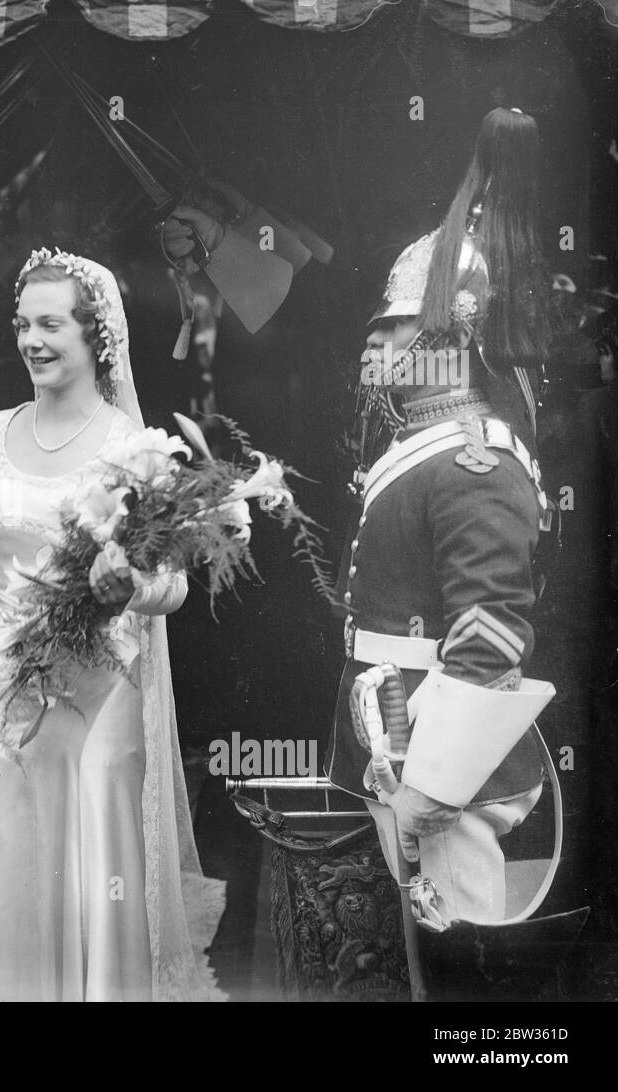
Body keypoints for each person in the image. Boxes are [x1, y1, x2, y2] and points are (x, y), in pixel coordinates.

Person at [0, 248, 224, 1001]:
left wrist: (127, 586)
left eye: (50, 324)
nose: (31, 340)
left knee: (95, 868)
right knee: (17, 864)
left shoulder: (134, 447)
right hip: (5, 682)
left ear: (97, 338)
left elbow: (175, 587)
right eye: (23, 324)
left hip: (98, 689)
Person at [327, 107, 554, 929]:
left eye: (387, 330)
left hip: (442, 769)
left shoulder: (474, 459)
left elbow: (491, 635)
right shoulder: (423, 447)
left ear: (441, 339)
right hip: (400, 740)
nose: (371, 347)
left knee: (460, 963)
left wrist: (436, 783)